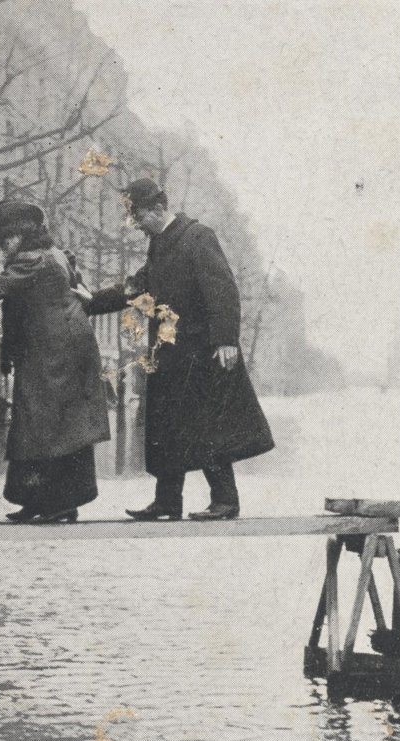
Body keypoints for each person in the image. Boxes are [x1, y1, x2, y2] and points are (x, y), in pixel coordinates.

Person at [86, 179, 273, 521]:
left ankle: (226, 501)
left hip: (201, 352)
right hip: (169, 351)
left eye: (139, 216)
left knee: (207, 425)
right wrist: (90, 302)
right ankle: (167, 502)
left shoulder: (198, 236)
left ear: (158, 209)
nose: (137, 225)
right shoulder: (160, 244)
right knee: (167, 428)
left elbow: (223, 289)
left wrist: (226, 339)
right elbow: (136, 287)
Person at [0, 201, 110, 523]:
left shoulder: (32, 260)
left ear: (22, 236)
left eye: (7, 240)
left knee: (44, 426)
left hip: (54, 353)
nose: (4, 247)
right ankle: (45, 501)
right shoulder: (54, 255)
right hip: (61, 349)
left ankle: (54, 503)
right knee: (48, 426)